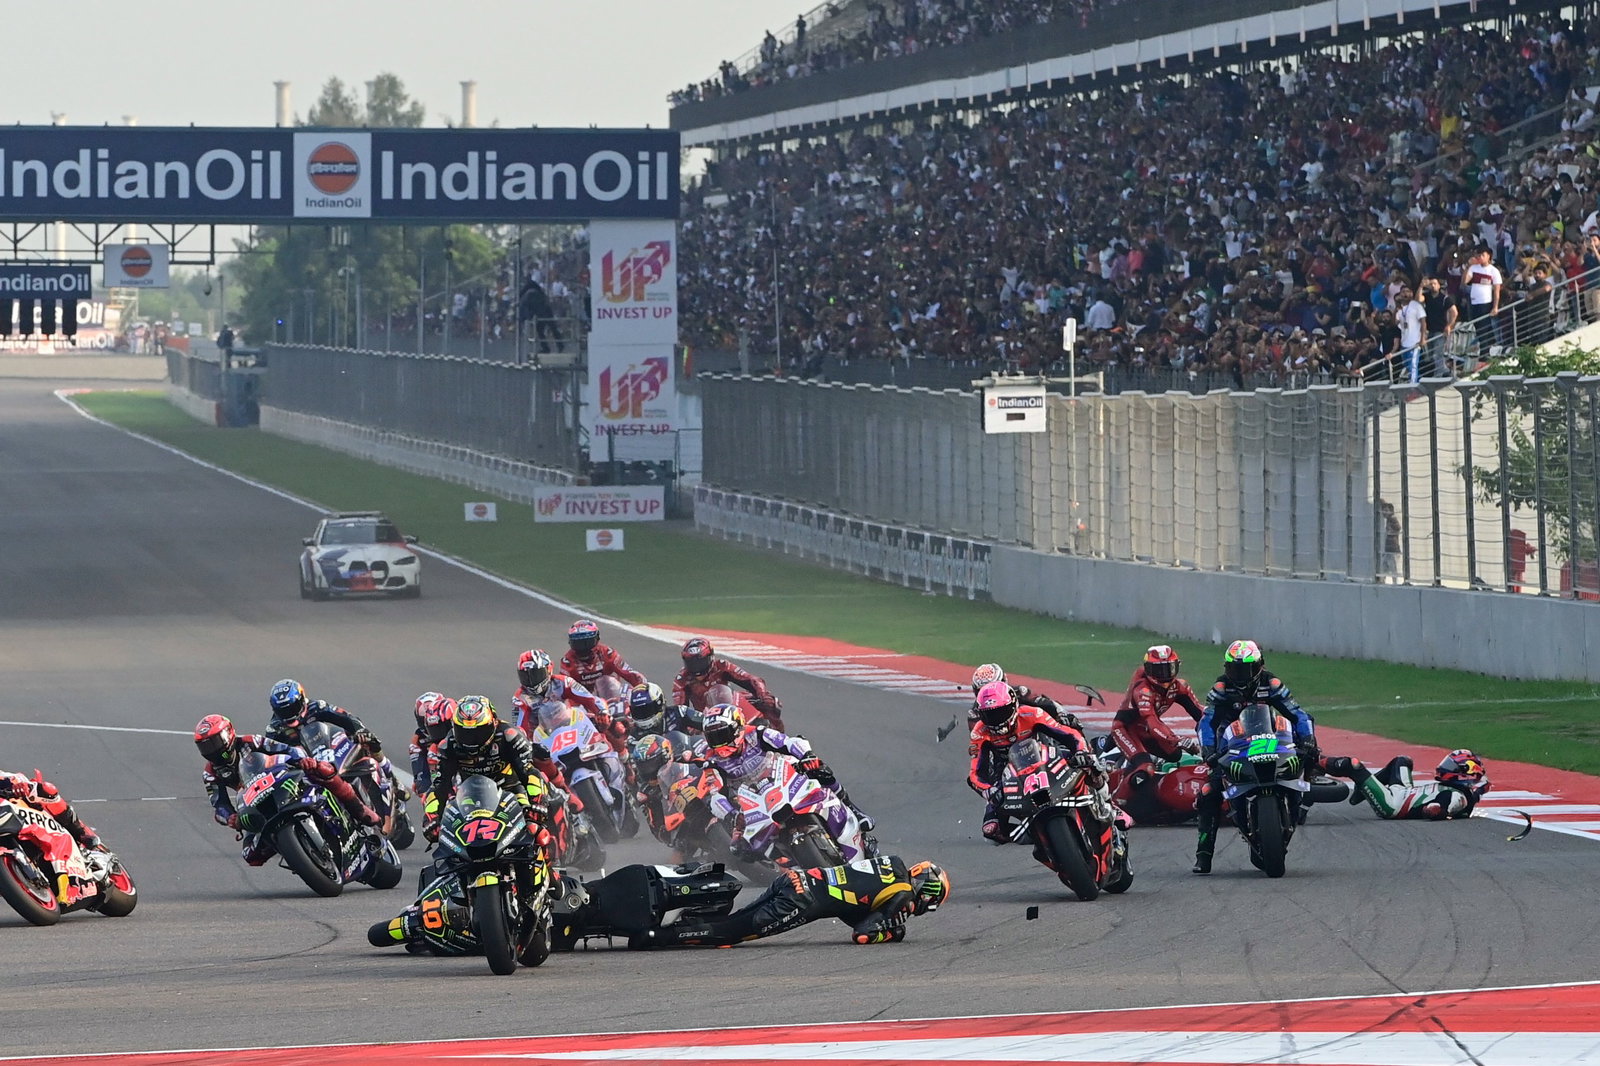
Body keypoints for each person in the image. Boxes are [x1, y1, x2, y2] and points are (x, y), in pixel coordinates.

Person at [1191, 640, 1318, 874]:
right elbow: (1206, 722)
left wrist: (1307, 738)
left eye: (1246, 669)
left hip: (1270, 739)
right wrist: (1208, 749)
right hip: (1233, 744)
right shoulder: (1221, 688)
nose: (1240, 675)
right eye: (1235, 669)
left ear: (1259, 665)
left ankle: (1302, 796)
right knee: (1209, 792)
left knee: (1309, 754)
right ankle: (1204, 854)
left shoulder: (1272, 683)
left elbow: (1298, 713)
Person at [193, 713, 379, 866]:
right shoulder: (210, 773)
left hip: (280, 779)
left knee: (323, 771)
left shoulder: (250, 742)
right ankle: (295, 853)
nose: (211, 750)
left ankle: (361, 810)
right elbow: (219, 805)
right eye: (205, 746)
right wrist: (230, 817)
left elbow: (285, 749)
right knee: (251, 855)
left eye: (214, 742)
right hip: (254, 802)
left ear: (229, 734)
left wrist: (301, 760)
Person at [644, 855, 948, 947]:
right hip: (801, 901)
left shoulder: (892, 863)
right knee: (730, 934)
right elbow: (863, 934)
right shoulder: (903, 895)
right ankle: (659, 936)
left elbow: (852, 905)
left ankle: (684, 918)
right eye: (932, 900)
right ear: (928, 891)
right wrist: (891, 933)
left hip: (795, 878)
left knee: (734, 921)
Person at [701, 702, 876, 840]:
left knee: (820, 769)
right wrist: (731, 815)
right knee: (739, 848)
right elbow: (715, 795)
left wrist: (807, 756)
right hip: (752, 801)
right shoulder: (711, 762)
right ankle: (781, 866)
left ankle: (853, 810)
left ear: (737, 727)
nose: (719, 743)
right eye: (713, 738)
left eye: (722, 735)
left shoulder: (756, 734)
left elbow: (788, 742)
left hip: (783, 777)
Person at [967, 680, 1098, 846]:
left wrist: (1080, 752)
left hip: (1045, 755)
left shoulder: (1031, 714)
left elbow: (1069, 734)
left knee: (1089, 763)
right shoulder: (980, 732)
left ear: (1013, 705)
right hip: (1006, 771)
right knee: (990, 830)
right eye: (989, 715)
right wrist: (989, 791)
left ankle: (1109, 802)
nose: (996, 720)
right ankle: (1039, 839)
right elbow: (976, 773)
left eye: (1001, 712)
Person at [423, 695, 553, 846]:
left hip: (511, 791)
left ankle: (545, 859)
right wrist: (431, 817)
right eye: (464, 733)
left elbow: (529, 773)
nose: (471, 740)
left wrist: (537, 801)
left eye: (479, 732)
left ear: (493, 723)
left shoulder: (509, 736)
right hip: (470, 797)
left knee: (533, 829)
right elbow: (439, 785)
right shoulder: (448, 745)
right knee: (449, 834)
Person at [265, 678, 396, 816]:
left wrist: (359, 730)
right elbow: (271, 756)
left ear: (302, 700)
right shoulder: (274, 728)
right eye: (283, 712)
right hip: (307, 763)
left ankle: (390, 774)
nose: (289, 715)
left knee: (369, 741)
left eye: (292, 708)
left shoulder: (317, 706)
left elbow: (345, 717)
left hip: (328, 748)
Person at [510, 649, 626, 752]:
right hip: (543, 737)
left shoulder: (563, 682)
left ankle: (623, 755)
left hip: (570, 724)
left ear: (548, 669)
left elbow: (590, 699)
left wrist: (602, 713)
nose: (531, 681)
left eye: (536, 675)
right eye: (525, 676)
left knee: (606, 723)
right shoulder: (519, 698)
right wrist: (526, 745)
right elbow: (520, 729)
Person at [1322, 749, 1489, 819]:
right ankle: (1361, 791)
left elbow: (1441, 807)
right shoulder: (1464, 793)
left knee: (1353, 765)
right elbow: (1474, 796)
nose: (1444, 768)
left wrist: (1435, 810)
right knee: (1402, 761)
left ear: (1464, 772)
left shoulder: (1455, 796)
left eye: (1451, 766)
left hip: (1393, 805)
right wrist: (1481, 791)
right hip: (1404, 791)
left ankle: (1317, 761)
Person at [1111, 646, 1205, 764]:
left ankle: (1148, 760)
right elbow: (1152, 722)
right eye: (1159, 670)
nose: (1165, 675)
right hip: (1126, 728)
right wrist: (1176, 739)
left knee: (1175, 755)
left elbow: (1201, 714)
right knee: (1144, 768)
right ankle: (1107, 747)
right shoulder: (1143, 690)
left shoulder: (1180, 686)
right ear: (1148, 669)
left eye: (1169, 668)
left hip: (1145, 729)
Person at [672, 637, 784, 728]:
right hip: (705, 718)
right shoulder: (681, 680)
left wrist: (762, 694)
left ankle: (778, 737)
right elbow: (680, 710)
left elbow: (752, 679)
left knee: (770, 702)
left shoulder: (722, 666)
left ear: (710, 657)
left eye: (700, 663)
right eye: (691, 663)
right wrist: (690, 726)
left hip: (730, 707)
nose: (696, 668)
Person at [0, 769, 103, 854]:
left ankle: (81, 833)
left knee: (47, 790)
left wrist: (23, 786)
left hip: (22, 814)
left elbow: (16, 778)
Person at [964, 663, 1080, 731]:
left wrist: (1062, 715)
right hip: (1002, 747)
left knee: (1068, 728)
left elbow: (1044, 703)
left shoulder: (1019, 692)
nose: (989, 695)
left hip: (1032, 735)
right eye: (983, 690)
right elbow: (978, 742)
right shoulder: (975, 713)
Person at [559, 619, 646, 700]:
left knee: (608, 681)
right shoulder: (568, 662)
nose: (583, 648)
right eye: (578, 644)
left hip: (612, 700)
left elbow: (630, 673)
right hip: (585, 702)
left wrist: (644, 688)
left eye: (587, 643)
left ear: (596, 639)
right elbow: (564, 690)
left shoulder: (607, 653)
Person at [624, 681, 703, 737]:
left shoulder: (679, 712)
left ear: (659, 703)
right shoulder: (633, 735)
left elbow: (705, 722)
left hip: (686, 754)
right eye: (638, 711)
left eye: (647, 709)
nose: (643, 714)